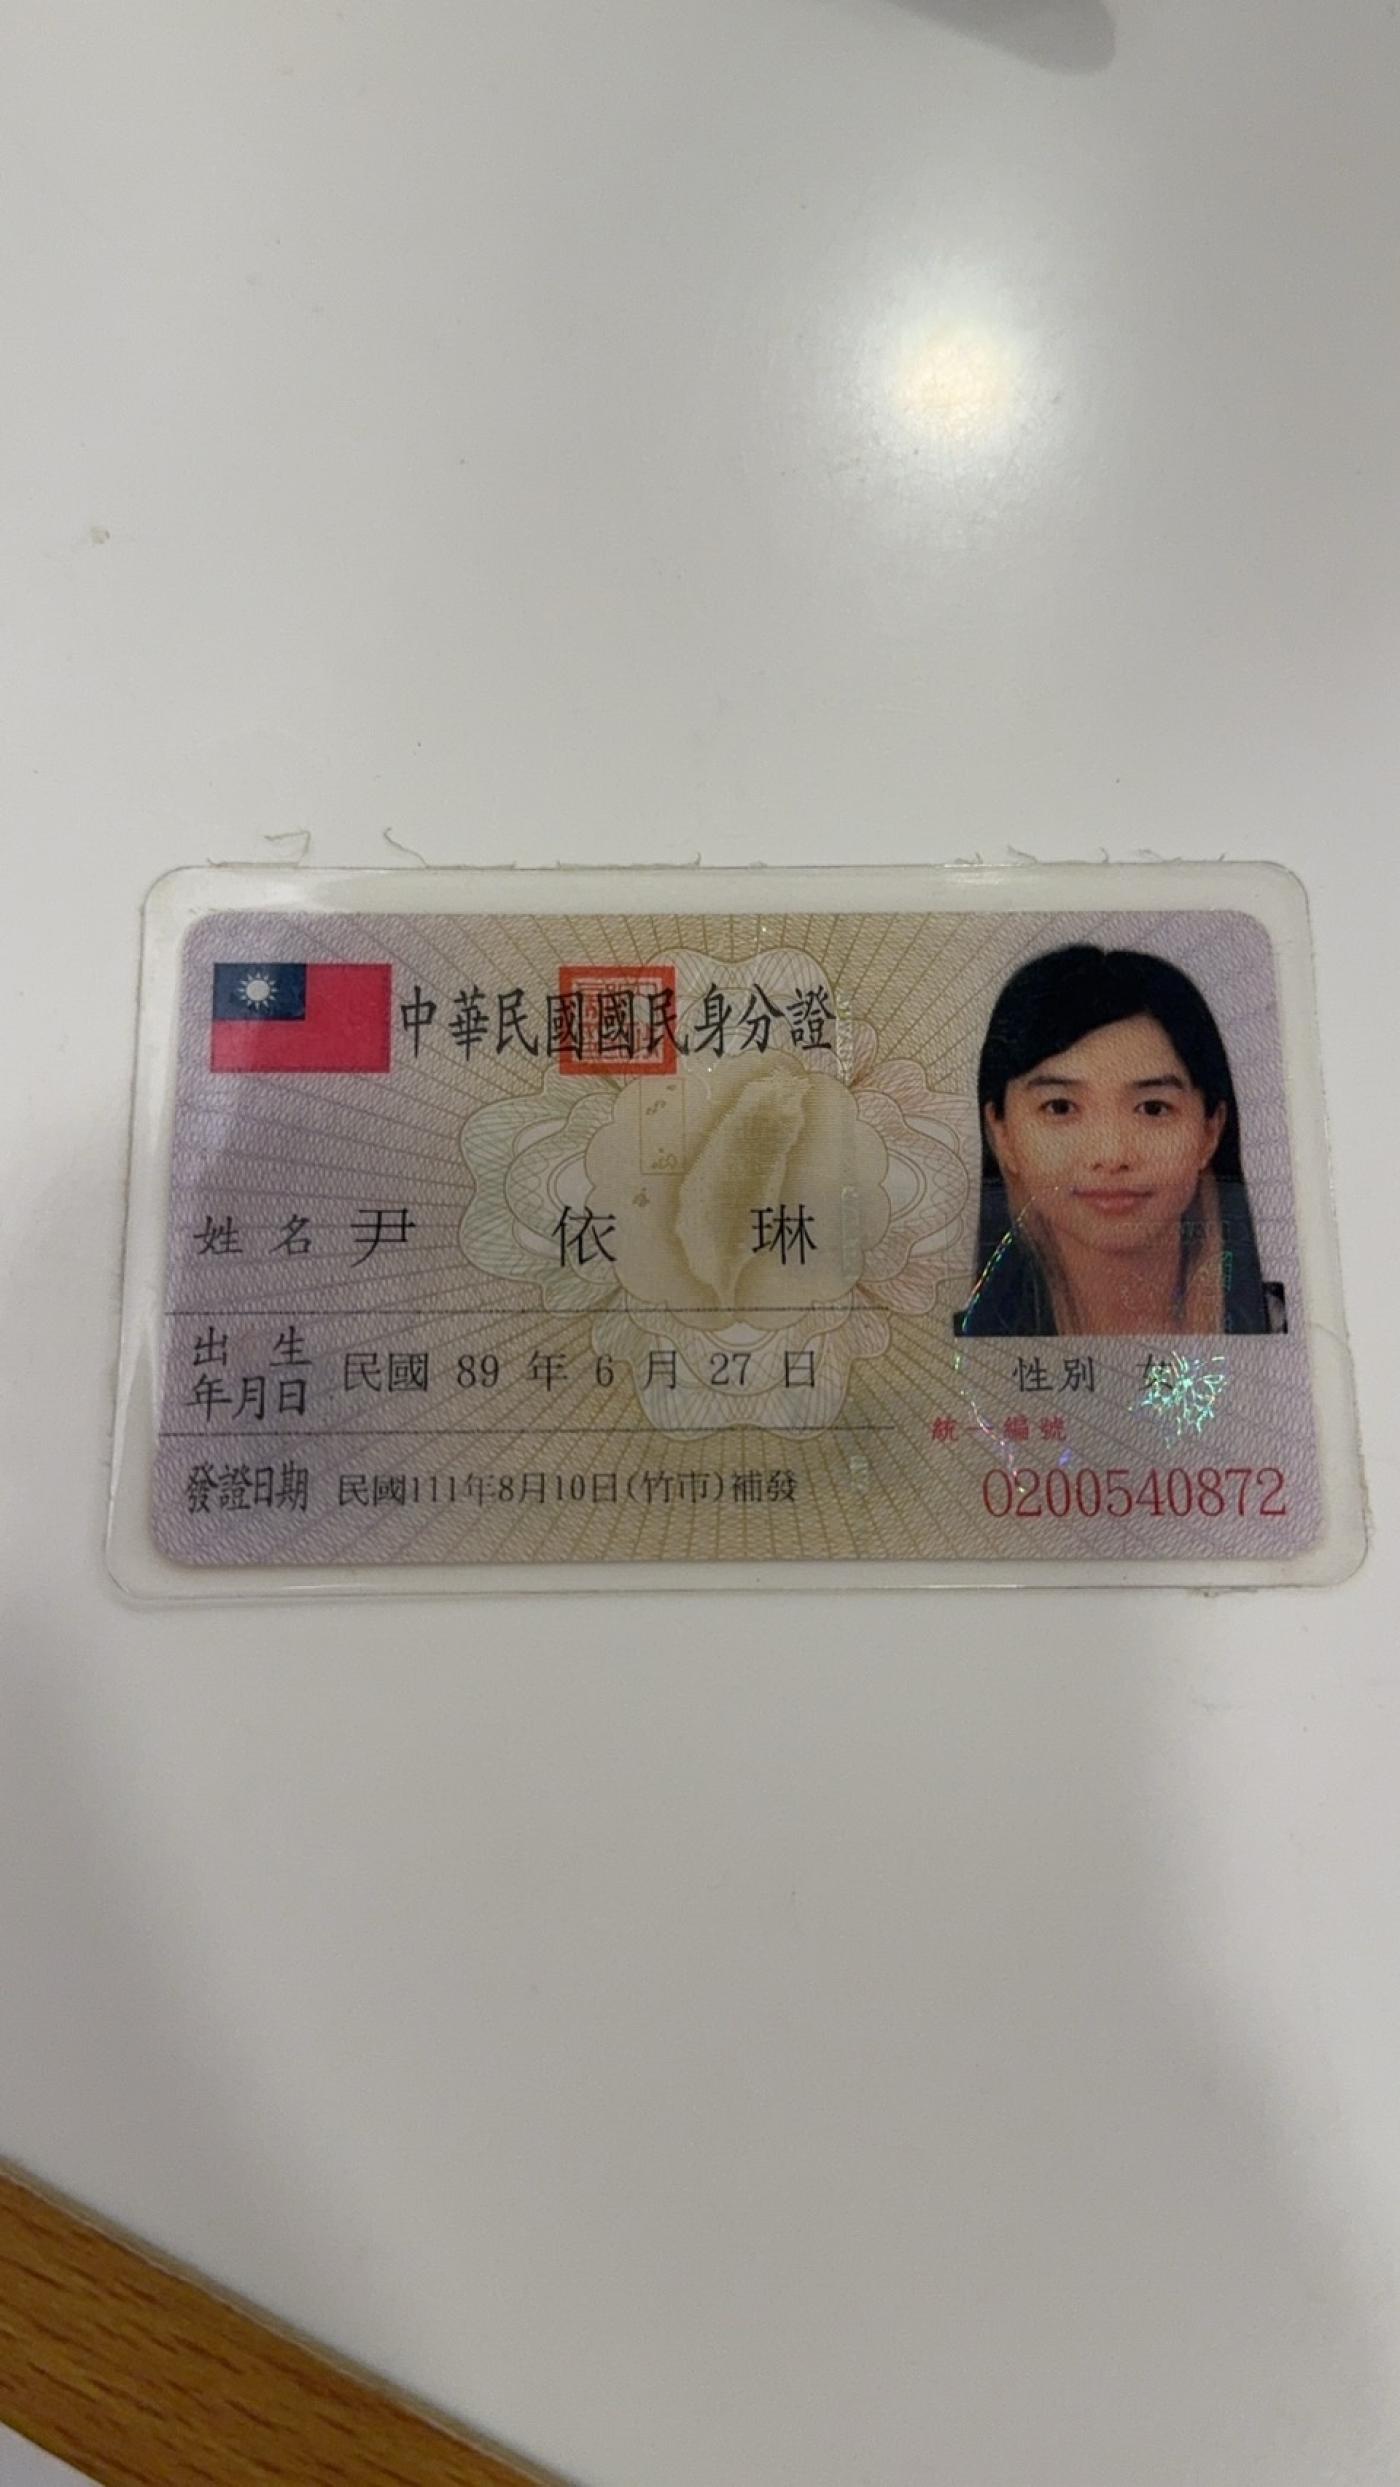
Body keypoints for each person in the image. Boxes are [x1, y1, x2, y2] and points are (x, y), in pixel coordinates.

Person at [955, 944, 1284, 1337]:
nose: (1111, 1155)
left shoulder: (1280, 1331)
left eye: (1153, 1108)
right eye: (1060, 1107)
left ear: (1210, 1131)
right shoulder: (953, 1354)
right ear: (1001, 1133)